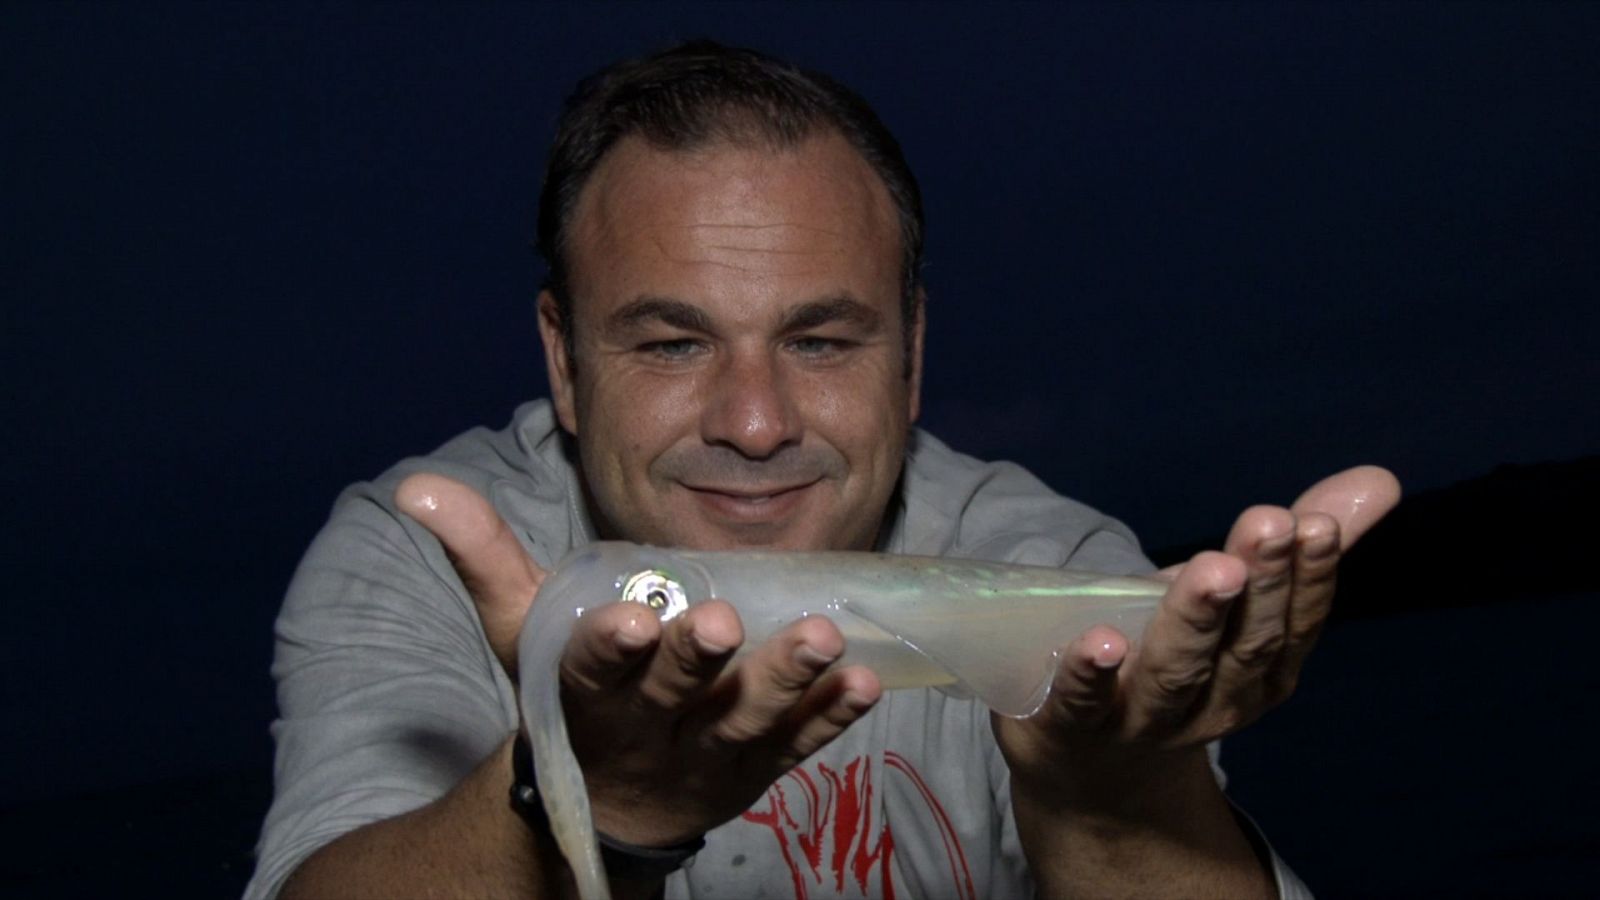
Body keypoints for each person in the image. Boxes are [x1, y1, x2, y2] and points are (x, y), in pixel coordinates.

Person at [248, 41, 1399, 900]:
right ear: (563, 357)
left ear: (911, 356)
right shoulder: (419, 559)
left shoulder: (1053, 580)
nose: (755, 421)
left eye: (820, 340)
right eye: (672, 342)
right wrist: (590, 810)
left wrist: (1114, 800)